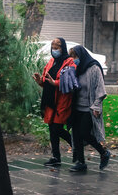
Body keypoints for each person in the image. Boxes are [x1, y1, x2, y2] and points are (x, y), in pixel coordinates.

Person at [33, 37, 76, 166]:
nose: (54, 49)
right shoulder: (51, 62)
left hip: (62, 100)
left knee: (57, 128)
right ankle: (56, 157)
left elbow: (70, 82)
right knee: (52, 129)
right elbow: (46, 81)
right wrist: (40, 81)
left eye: (57, 46)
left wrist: (55, 83)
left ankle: (76, 145)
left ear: (63, 47)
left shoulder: (69, 62)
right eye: (53, 46)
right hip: (50, 100)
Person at [68, 45, 111, 172]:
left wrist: (96, 106)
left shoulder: (94, 68)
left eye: (75, 56)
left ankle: (103, 152)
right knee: (76, 135)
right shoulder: (75, 69)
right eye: (72, 57)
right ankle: (81, 163)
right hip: (76, 107)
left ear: (82, 55)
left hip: (89, 108)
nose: (73, 59)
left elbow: (100, 89)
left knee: (84, 133)